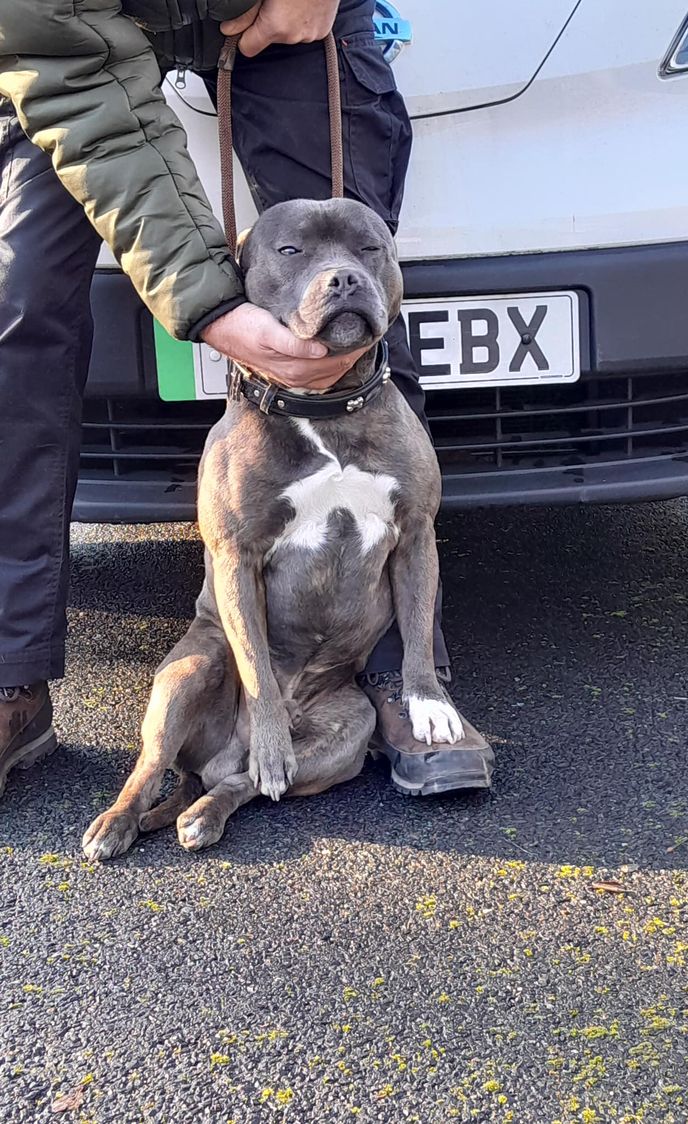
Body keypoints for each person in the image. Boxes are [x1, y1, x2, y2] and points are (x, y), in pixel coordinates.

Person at [0, 0, 494, 799]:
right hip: (67, 53)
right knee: (12, 309)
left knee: (349, 300)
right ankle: (8, 677)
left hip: (290, 18)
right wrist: (211, 304)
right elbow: (71, 73)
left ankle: (402, 678)